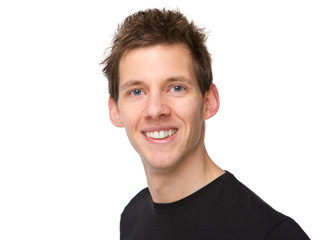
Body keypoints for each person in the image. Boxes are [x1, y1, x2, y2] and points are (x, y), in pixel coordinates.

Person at [102, 8, 310, 240]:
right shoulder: (133, 216)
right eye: (137, 91)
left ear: (209, 102)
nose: (155, 109)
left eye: (176, 88)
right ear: (115, 110)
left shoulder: (272, 234)